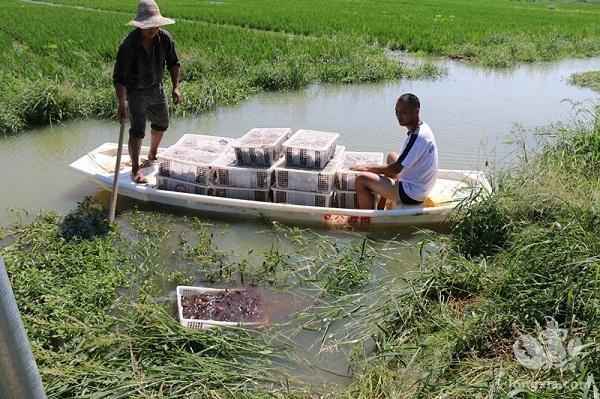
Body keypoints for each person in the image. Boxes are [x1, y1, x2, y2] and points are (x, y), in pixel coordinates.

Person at [113, 0, 182, 183]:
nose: (153, 29)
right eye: (149, 26)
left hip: (156, 88)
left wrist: (175, 87)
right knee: (137, 131)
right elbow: (119, 78)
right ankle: (135, 169)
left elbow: (174, 63)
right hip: (135, 92)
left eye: (156, 25)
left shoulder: (164, 38)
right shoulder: (128, 45)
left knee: (162, 123)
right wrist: (122, 102)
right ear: (140, 26)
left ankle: (152, 154)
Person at [351, 93, 438, 209]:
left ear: (416, 111)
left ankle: (367, 219)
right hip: (420, 185)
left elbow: (395, 169)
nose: (399, 116)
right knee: (391, 156)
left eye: (404, 112)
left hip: (412, 193)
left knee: (361, 179)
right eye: (397, 112)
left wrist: (366, 167)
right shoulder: (423, 127)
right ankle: (382, 206)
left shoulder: (418, 138)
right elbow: (395, 167)